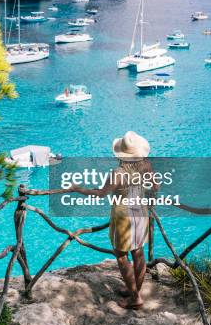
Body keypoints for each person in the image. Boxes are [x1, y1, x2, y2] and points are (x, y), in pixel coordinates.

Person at [67, 131, 158, 309]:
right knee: (138, 253)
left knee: (122, 257)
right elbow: (156, 186)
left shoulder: (118, 173)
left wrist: (78, 189)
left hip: (123, 218)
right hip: (140, 213)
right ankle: (134, 290)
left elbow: (100, 194)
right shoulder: (146, 165)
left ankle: (135, 298)